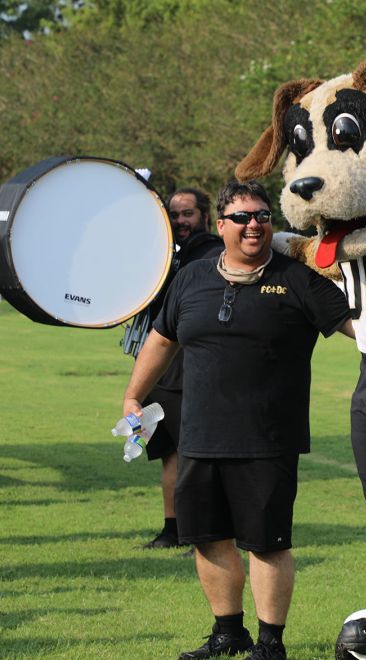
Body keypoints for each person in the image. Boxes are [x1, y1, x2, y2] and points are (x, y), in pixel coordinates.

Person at [121, 179, 353, 660]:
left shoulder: (298, 279)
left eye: (263, 216)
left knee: (267, 542)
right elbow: (162, 340)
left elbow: (363, 328)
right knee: (206, 536)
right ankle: (228, 631)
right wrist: (133, 395)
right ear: (221, 225)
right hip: (200, 436)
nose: (255, 224)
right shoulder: (192, 279)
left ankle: (271, 642)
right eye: (244, 217)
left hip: (268, 438)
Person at [140, 188, 224, 549]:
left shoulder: (216, 254)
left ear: (205, 216)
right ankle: (172, 529)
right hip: (164, 373)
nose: (179, 222)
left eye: (186, 214)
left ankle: (203, 531)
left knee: (198, 456)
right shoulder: (164, 256)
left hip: (200, 372)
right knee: (169, 454)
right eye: (173, 215)